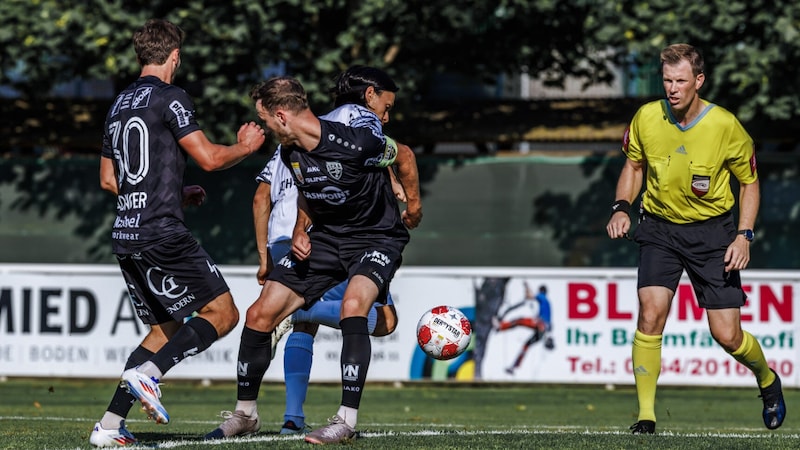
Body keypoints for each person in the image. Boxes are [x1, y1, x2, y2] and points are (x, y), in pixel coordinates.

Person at [206, 75, 421, 445]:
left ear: (282, 116)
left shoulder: (354, 142)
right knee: (260, 314)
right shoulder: (291, 153)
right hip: (326, 237)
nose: (266, 130)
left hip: (376, 237)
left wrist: (414, 206)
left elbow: (404, 155)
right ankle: (245, 414)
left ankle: (345, 421)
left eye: (267, 121)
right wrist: (301, 229)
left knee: (354, 307)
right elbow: (309, 193)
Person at [89, 18, 265, 447]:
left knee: (162, 331)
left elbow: (110, 181)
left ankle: (109, 427)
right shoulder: (171, 96)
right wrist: (245, 147)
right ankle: (149, 375)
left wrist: (172, 191)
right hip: (161, 232)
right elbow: (206, 157)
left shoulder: (118, 104)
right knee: (223, 314)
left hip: (126, 232)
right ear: (174, 57)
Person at [606, 43, 785, 435]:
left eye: (681, 81)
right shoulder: (647, 118)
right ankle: (646, 417)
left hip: (713, 233)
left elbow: (749, 183)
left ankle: (768, 379)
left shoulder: (725, 126)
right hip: (658, 227)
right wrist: (621, 206)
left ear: (698, 81)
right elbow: (633, 166)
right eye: (667, 80)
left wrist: (744, 236)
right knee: (650, 312)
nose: (672, 88)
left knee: (727, 335)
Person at [493, 283, 554, 375]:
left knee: (519, 321)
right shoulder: (547, 302)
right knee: (526, 346)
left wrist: (526, 287)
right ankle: (514, 367)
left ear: (541, 291)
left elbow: (529, 296)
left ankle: (501, 327)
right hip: (543, 331)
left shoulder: (542, 297)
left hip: (540, 324)